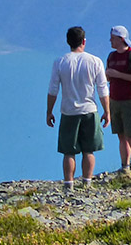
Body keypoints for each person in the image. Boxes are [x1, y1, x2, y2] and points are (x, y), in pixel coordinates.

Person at [47, 26, 110, 191]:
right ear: (84, 41)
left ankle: (69, 184)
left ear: (68, 42)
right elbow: (103, 89)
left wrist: (49, 111)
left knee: (69, 151)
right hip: (89, 110)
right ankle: (87, 182)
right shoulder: (95, 61)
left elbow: (53, 89)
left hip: (68, 112)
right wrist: (107, 111)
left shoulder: (60, 62)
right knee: (89, 150)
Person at [105, 25, 131, 176]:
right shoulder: (111, 56)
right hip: (115, 99)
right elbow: (109, 76)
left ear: (121, 39)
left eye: (113, 38)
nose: (110, 40)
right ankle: (125, 167)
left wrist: (117, 74)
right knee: (121, 136)